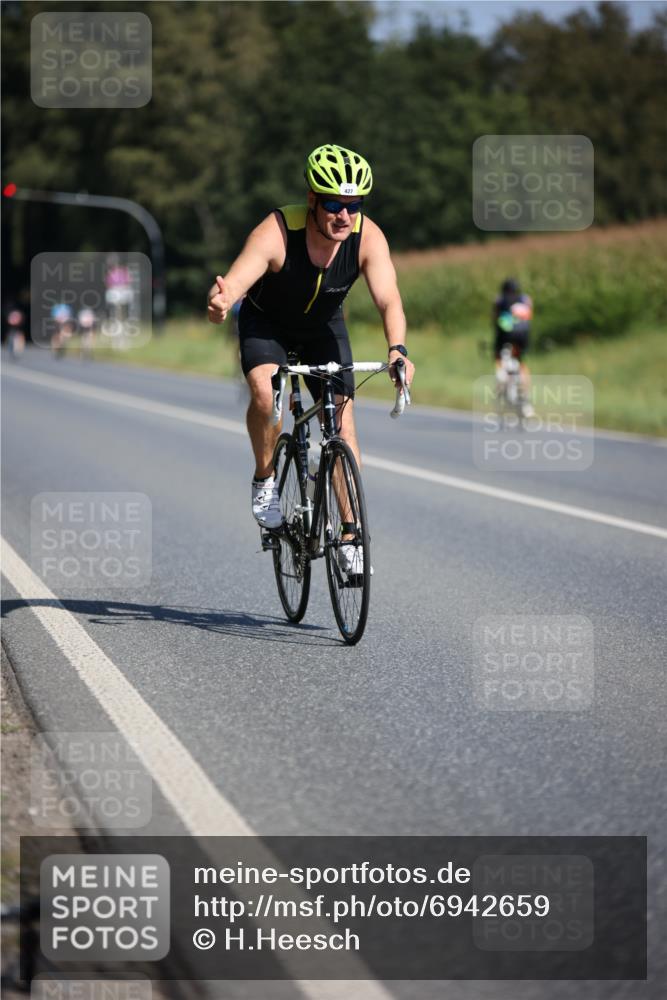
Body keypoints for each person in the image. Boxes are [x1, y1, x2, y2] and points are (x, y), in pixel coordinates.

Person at [207, 143, 415, 539]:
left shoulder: (366, 237)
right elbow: (234, 283)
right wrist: (220, 302)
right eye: (334, 204)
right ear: (312, 200)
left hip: (323, 326)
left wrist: (397, 349)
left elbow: (389, 300)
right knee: (268, 398)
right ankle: (265, 479)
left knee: (341, 425)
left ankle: (352, 534)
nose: (344, 216)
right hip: (267, 324)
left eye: (354, 206)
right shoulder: (278, 231)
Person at [492, 278, 534, 418]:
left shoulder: (499, 299)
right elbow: (530, 316)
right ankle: (526, 398)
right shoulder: (526, 299)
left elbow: (495, 319)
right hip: (523, 336)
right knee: (521, 364)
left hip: (505, 335)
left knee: (499, 358)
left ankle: (502, 379)